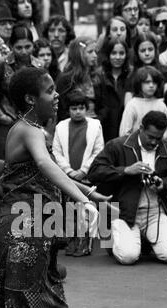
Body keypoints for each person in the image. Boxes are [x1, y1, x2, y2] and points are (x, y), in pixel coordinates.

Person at [0, 66, 98, 308]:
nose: (57, 96)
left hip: (40, 229)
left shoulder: (38, 130)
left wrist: (90, 194)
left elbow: (51, 171)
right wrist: (81, 201)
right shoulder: (27, 129)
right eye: (50, 90)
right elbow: (43, 164)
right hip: (21, 230)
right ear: (29, 99)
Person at [88, 110, 167, 264]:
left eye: (158, 139)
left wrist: (163, 185)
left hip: (155, 212)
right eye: (151, 137)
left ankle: (141, 240)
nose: (154, 142)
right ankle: (116, 236)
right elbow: (94, 172)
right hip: (124, 212)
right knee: (128, 257)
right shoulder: (117, 145)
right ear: (141, 128)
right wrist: (125, 170)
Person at [53, 90, 104, 256]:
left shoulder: (95, 126)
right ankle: (72, 240)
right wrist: (68, 171)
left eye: (81, 108)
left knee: (85, 208)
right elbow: (56, 151)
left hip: (86, 176)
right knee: (70, 209)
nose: (77, 112)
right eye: (74, 108)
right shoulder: (60, 127)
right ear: (68, 110)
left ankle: (84, 243)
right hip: (67, 176)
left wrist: (83, 171)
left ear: (87, 109)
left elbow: (98, 151)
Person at [0, 24, 43, 160]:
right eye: (19, 48)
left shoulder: (39, 65)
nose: (24, 52)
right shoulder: (1, 62)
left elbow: (43, 95)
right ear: (11, 46)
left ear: (33, 46)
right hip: (7, 118)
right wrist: (1, 115)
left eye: (27, 47)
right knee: (3, 162)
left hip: (31, 121)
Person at [119, 65, 167, 140]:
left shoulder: (161, 105)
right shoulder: (132, 105)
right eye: (147, 82)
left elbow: (166, 130)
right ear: (139, 84)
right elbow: (124, 132)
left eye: (154, 82)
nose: (151, 85)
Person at [56, 36, 100, 121]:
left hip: (95, 124)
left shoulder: (97, 76)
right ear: (79, 54)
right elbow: (62, 110)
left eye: (95, 51)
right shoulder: (65, 79)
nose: (95, 55)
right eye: (90, 52)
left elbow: (103, 106)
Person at [124, 31, 167, 105]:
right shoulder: (131, 76)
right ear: (137, 53)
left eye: (150, 49)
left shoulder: (166, 72)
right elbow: (128, 106)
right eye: (143, 50)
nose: (147, 53)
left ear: (156, 50)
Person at [95, 38, 131, 142]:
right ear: (108, 54)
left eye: (121, 53)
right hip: (104, 129)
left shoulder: (131, 75)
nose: (118, 57)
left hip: (124, 127)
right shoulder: (99, 75)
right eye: (114, 53)